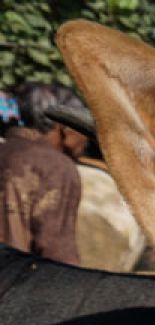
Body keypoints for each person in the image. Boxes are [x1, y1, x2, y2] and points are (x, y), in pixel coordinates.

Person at [0, 82, 89, 265]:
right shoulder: (55, 167)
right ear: (65, 127)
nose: (86, 140)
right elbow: (57, 254)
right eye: (83, 128)